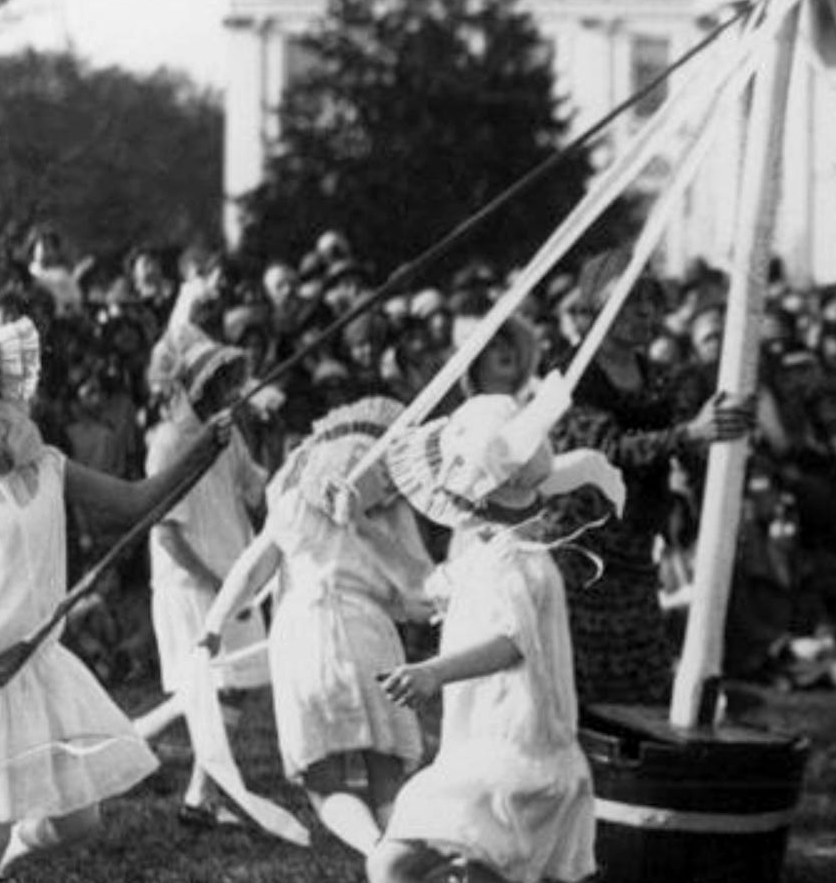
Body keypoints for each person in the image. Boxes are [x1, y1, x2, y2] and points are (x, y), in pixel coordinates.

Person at [0, 318, 229, 883]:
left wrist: (202, 452)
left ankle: (4, 861)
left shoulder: (48, 464)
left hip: (42, 666)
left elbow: (136, 502)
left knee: (79, 821)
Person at [367, 394, 622, 883]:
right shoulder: (492, 553)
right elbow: (424, 587)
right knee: (466, 872)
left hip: (513, 759)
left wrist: (432, 672)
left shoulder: (516, 562)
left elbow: (511, 643)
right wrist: (359, 527)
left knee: (390, 865)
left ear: (471, 495)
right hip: (504, 754)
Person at [201, 398, 437, 855]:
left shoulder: (292, 503)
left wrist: (213, 626)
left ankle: (377, 852)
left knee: (323, 781)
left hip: (302, 640)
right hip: (369, 633)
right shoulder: (390, 511)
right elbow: (422, 591)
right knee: (387, 769)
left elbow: (251, 570)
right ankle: (404, 857)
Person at [547, 249, 752, 705]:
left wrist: (717, 428)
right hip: (581, 550)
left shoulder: (656, 377)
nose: (645, 311)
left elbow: (681, 439)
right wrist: (689, 433)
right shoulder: (570, 374)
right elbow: (603, 452)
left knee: (639, 676)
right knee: (577, 675)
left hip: (635, 545)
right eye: (629, 300)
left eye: (651, 300)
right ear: (595, 310)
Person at [143, 325, 270, 826]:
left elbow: (255, 489)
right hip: (189, 584)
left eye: (230, 380)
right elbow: (166, 533)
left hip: (230, 575)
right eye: (219, 381)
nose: (229, 390)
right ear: (196, 386)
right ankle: (186, 783)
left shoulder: (228, 434)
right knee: (213, 687)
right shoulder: (169, 443)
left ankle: (197, 792)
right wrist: (217, 581)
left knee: (232, 685)